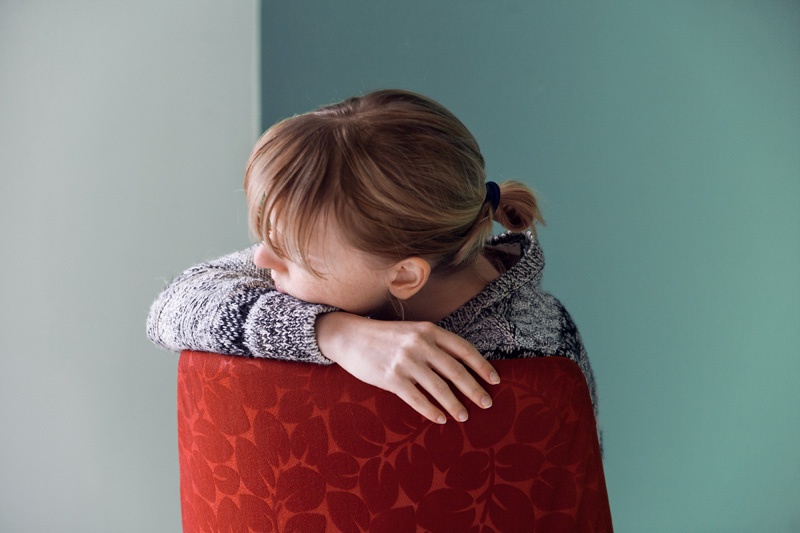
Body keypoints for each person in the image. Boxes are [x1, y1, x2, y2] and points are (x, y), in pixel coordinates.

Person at [147, 89, 599, 431]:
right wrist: (335, 333)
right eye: (269, 239)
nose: (263, 259)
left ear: (404, 275)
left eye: (292, 253)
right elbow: (170, 309)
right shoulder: (360, 254)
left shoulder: (532, 355)